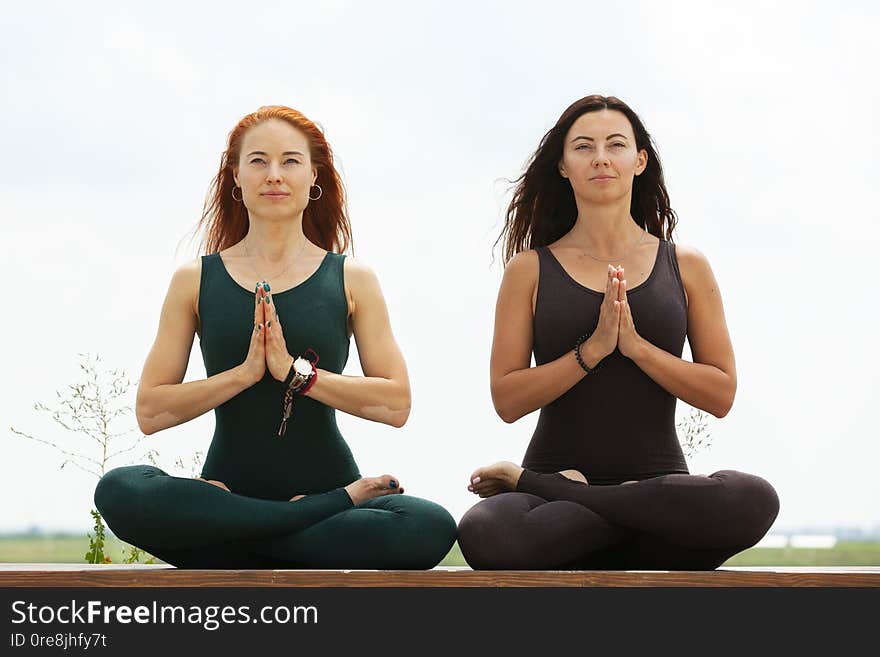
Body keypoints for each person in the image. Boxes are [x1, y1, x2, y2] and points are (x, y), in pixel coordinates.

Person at [94, 105, 456, 569]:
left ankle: (242, 541)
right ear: (236, 179)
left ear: (312, 178)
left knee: (430, 525)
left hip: (273, 501)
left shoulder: (351, 278)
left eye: (290, 161)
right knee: (119, 489)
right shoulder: (195, 280)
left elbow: (396, 403)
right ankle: (301, 520)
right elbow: (151, 410)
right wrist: (245, 374)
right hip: (248, 495)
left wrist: (294, 374)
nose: (274, 175)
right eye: (258, 161)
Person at [457, 95, 779, 570]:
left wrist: (636, 348)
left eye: (615, 144)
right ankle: (602, 508)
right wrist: (593, 351)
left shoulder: (685, 265)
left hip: (658, 488)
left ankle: (570, 495)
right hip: (571, 512)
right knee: (485, 532)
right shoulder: (530, 270)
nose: (601, 157)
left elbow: (721, 393)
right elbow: (507, 399)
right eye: (584, 146)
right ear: (563, 166)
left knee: (754, 499)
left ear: (639, 160)